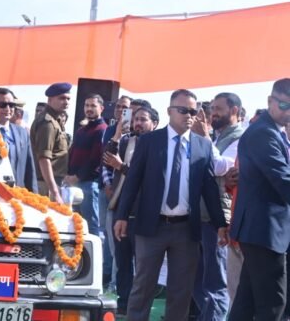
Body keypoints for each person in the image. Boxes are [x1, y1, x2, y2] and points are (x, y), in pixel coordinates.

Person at [113, 89, 228, 321]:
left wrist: (220, 224)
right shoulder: (149, 142)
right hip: (151, 226)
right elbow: (133, 180)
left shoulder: (203, 146)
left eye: (194, 111)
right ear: (169, 111)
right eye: (183, 110)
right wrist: (122, 215)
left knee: (180, 292)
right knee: (143, 287)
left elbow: (209, 188)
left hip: (186, 230)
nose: (189, 116)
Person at [228, 78, 290, 321]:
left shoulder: (272, 131)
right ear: (270, 102)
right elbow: (282, 180)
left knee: (247, 300)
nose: (288, 112)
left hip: (262, 230)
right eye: (284, 106)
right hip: (265, 231)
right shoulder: (264, 133)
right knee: (273, 303)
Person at [191, 93, 244, 321]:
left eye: (218, 108)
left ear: (234, 111)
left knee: (215, 281)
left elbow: (223, 167)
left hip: (218, 219)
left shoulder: (242, 137)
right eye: (211, 107)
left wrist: (203, 139)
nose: (213, 112)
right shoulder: (217, 136)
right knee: (196, 279)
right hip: (199, 214)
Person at [103, 106, 159, 315]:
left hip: (144, 212)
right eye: (135, 119)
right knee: (123, 261)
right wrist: (117, 134)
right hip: (121, 211)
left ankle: (140, 305)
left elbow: (148, 177)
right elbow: (106, 158)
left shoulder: (158, 146)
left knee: (143, 264)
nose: (138, 124)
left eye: (143, 119)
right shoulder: (127, 141)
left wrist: (122, 167)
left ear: (155, 123)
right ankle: (125, 303)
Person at [64, 94, 107, 235]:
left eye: (93, 106)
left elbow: (95, 159)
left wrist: (77, 176)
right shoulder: (82, 130)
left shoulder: (102, 129)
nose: (89, 109)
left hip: (89, 184)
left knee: (92, 226)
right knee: (74, 225)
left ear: (101, 108)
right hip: (73, 184)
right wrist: (68, 176)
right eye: (87, 105)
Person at [30, 83, 71, 203]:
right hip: (46, 184)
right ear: (50, 99)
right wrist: (55, 191)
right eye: (62, 98)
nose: (66, 102)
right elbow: (44, 159)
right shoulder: (47, 123)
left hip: (52, 181)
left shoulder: (56, 120)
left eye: (68, 98)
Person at [0, 88, 37, 193]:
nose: (8, 109)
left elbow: (30, 169)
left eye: (11, 105)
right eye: (2, 105)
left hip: (17, 193)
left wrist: (34, 196)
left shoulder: (22, 132)